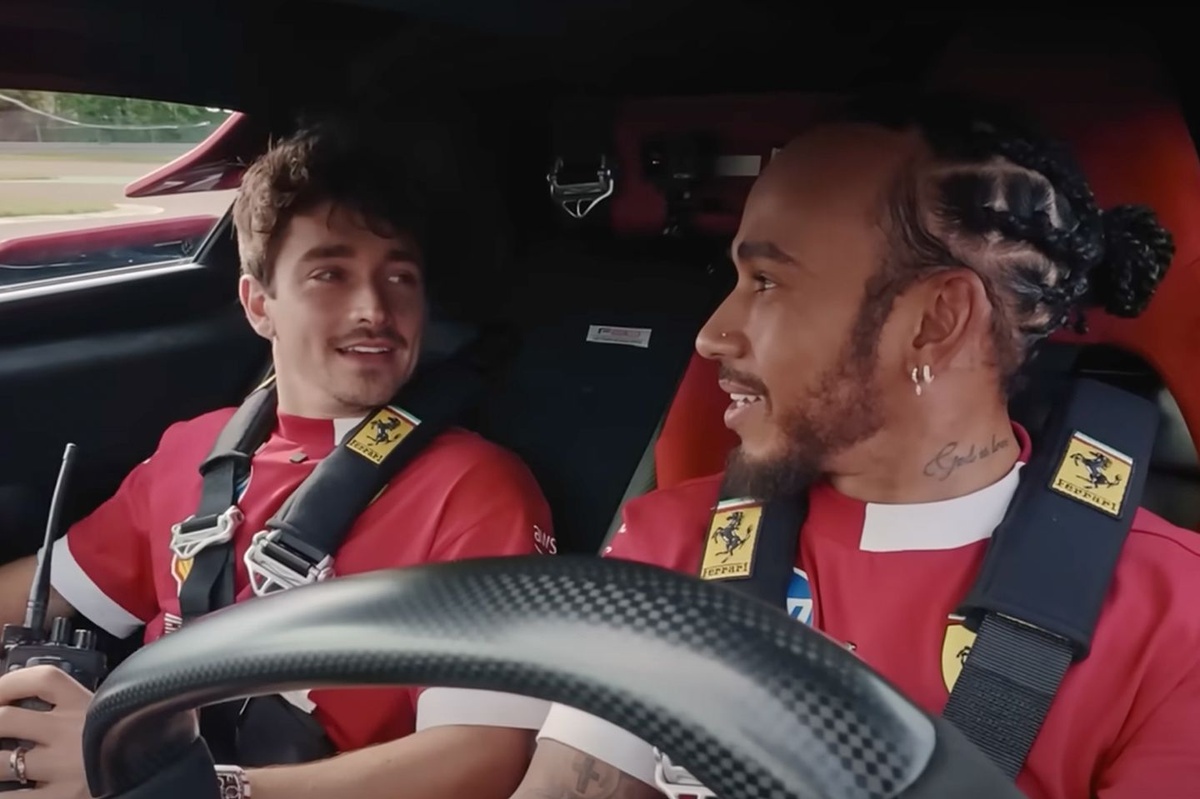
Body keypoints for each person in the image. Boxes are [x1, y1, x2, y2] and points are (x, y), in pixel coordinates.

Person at [508, 92, 1200, 799]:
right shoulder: (668, 541)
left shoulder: (1174, 620)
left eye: (767, 281)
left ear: (936, 321)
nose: (712, 334)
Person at [0, 119, 557, 799]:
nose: (374, 308)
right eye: (330, 274)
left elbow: (485, 757)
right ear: (259, 305)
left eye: (399, 277)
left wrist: (190, 786)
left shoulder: (474, 487)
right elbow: (40, 591)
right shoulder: (195, 451)